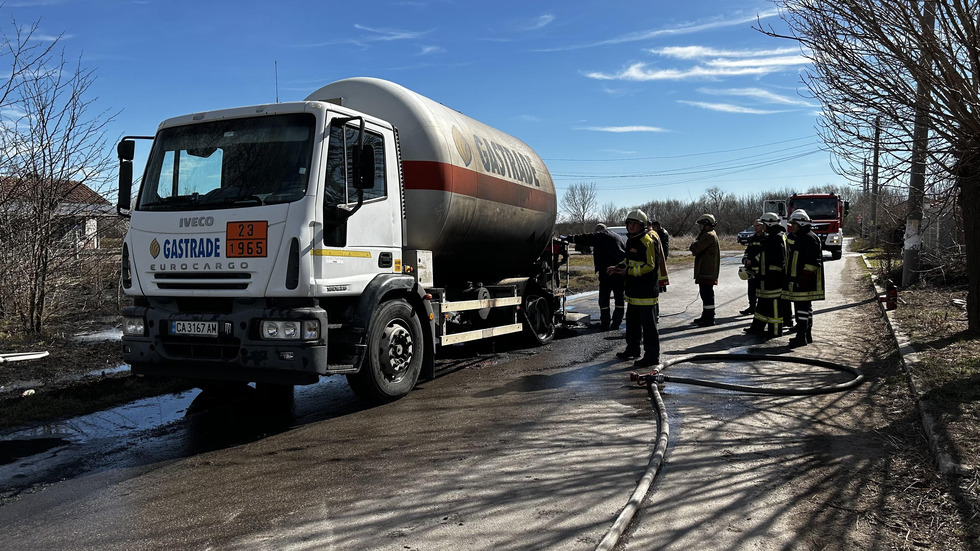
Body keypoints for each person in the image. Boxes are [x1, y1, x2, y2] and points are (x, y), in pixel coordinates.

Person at [609, 209, 662, 368]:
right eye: (629, 223)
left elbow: (651, 266)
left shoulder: (647, 241)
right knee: (632, 323)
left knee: (649, 327)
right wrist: (619, 266)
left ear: (642, 226)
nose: (631, 226)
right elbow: (629, 259)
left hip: (646, 292)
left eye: (635, 224)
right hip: (633, 291)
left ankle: (652, 356)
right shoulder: (631, 240)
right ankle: (632, 349)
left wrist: (629, 272)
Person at [568, 223, 626, 330]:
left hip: (607, 272)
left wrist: (568, 238)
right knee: (619, 298)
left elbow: (585, 238)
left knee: (604, 298)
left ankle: (605, 323)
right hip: (619, 272)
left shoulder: (602, 235)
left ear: (599, 231)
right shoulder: (617, 236)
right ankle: (616, 323)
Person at [783, 209, 825, 346]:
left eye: (794, 224)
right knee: (805, 308)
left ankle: (801, 337)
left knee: (802, 308)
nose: (792, 226)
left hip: (805, 281)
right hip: (800, 279)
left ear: (801, 223)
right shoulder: (801, 237)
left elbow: (814, 261)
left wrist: (804, 277)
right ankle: (807, 335)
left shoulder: (809, 238)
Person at [745, 212, 787, 339]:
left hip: (773, 280)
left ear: (769, 224)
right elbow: (764, 255)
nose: (762, 227)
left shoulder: (775, 238)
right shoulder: (776, 237)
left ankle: (775, 330)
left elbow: (777, 261)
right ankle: (757, 327)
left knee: (774, 305)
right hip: (765, 278)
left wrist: (770, 277)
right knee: (762, 303)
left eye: (763, 224)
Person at [689, 213, 721, 327]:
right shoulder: (707, 235)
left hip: (707, 271)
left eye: (701, 224)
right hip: (705, 270)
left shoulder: (708, 236)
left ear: (706, 224)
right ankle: (706, 315)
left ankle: (709, 318)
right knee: (705, 293)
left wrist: (693, 245)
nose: (699, 226)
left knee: (707, 294)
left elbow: (696, 248)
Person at [739, 219, 766, 315]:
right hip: (751, 270)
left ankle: (760, 309)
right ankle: (752, 307)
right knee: (751, 290)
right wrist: (745, 260)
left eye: (757, 226)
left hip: (761, 270)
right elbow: (747, 252)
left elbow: (763, 254)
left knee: (761, 291)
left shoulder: (766, 239)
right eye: (754, 226)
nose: (755, 228)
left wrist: (753, 261)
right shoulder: (752, 239)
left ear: (763, 227)